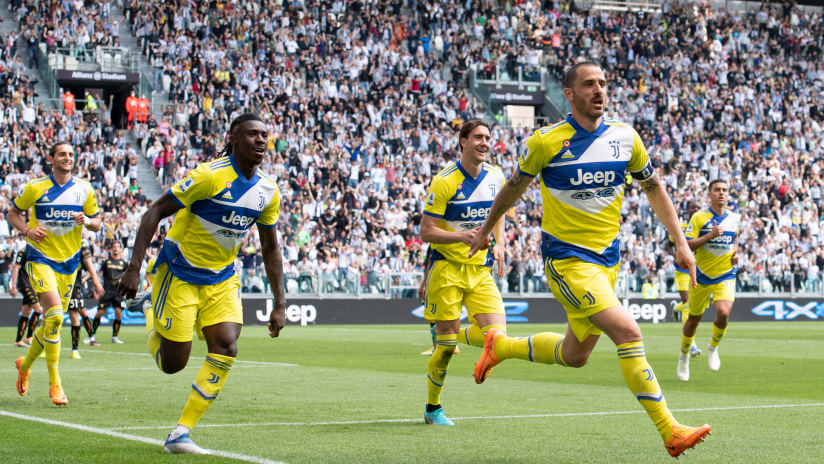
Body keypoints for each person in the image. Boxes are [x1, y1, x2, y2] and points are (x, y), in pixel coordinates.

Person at [467, 62, 710, 458]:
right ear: (570, 93)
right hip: (567, 261)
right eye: (588, 84)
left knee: (575, 356)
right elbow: (512, 190)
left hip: (606, 262)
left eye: (603, 83)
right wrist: (485, 229)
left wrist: (680, 241)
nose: (599, 90)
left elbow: (654, 189)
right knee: (629, 333)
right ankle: (670, 430)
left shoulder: (626, 138)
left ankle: (500, 346)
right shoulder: (546, 142)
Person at [116, 113, 287, 454]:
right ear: (233, 138)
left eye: (264, 135)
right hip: (179, 272)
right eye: (252, 134)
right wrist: (134, 267)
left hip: (221, 277)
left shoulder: (268, 191)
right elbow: (154, 212)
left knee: (226, 344)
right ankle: (151, 307)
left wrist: (280, 301)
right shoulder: (209, 176)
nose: (260, 140)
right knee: (172, 364)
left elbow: (270, 247)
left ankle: (180, 433)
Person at [419, 119, 506, 426]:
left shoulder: (496, 176)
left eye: (488, 137)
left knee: (499, 336)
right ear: (463, 142)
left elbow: (499, 212)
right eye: (479, 137)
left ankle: (449, 334)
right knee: (443, 351)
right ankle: (433, 408)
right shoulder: (444, 181)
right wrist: (461, 236)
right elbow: (426, 232)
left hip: (481, 270)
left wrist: (502, 246)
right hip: (447, 270)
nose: (485, 142)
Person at [10, 141, 102, 405]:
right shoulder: (36, 187)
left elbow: (97, 222)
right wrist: (27, 231)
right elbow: (12, 213)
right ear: (51, 159)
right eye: (62, 154)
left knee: (53, 321)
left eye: (71, 154)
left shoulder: (84, 188)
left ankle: (25, 365)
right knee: (54, 316)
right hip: (41, 258)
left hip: (69, 263)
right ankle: (55, 384)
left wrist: (89, 222)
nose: (67, 158)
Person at [677, 179, 740, 381]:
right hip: (702, 275)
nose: (721, 193)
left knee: (723, 312)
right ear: (710, 194)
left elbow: (735, 239)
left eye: (724, 190)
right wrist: (710, 236)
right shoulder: (699, 217)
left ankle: (713, 347)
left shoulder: (734, 217)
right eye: (717, 190)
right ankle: (684, 355)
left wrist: (735, 254)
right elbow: (688, 246)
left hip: (726, 274)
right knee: (694, 319)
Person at [666, 200, 701, 359]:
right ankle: (691, 344)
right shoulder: (680, 227)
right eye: (692, 207)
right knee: (688, 304)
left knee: (690, 304)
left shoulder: (703, 225)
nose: (694, 209)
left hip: (697, 269)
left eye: (697, 207)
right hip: (681, 270)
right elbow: (668, 244)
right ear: (687, 210)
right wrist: (676, 256)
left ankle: (675, 308)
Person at [417, 246, 459, 357]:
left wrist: (423, 285)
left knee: (433, 315)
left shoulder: (435, 243)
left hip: (438, 281)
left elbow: (431, 263)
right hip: (452, 279)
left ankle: (438, 346)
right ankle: (449, 344)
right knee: (446, 314)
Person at [68, 239, 104, 358]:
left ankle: (76, 348)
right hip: (58, 284)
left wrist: (86, 281)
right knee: (51, 314)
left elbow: (90, 268)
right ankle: (45, 345)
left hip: (73, 287)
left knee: (78, 314)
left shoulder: (79, 247)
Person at [91, 241, 128, 344]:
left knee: (118, 314)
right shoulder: (105, 261)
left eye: (117, 247)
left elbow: (128, 275)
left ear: (120, 249)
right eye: (114, 247)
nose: (116, 248)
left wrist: (123, 280)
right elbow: (98, 275)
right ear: (111, 249)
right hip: (106, 291)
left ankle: (114, 337)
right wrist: (96, 288)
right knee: (99, 313)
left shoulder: (124, 263)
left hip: (118, 292)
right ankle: (92, 335)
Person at [10, 247, 43, 348]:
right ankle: (29, 337)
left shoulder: (38, 251)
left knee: (26, 313)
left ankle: (18, 340)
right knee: (38, 309)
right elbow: (16, 268)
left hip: (33, 285)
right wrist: (13, 286)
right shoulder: (23, 252)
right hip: (25, 284)